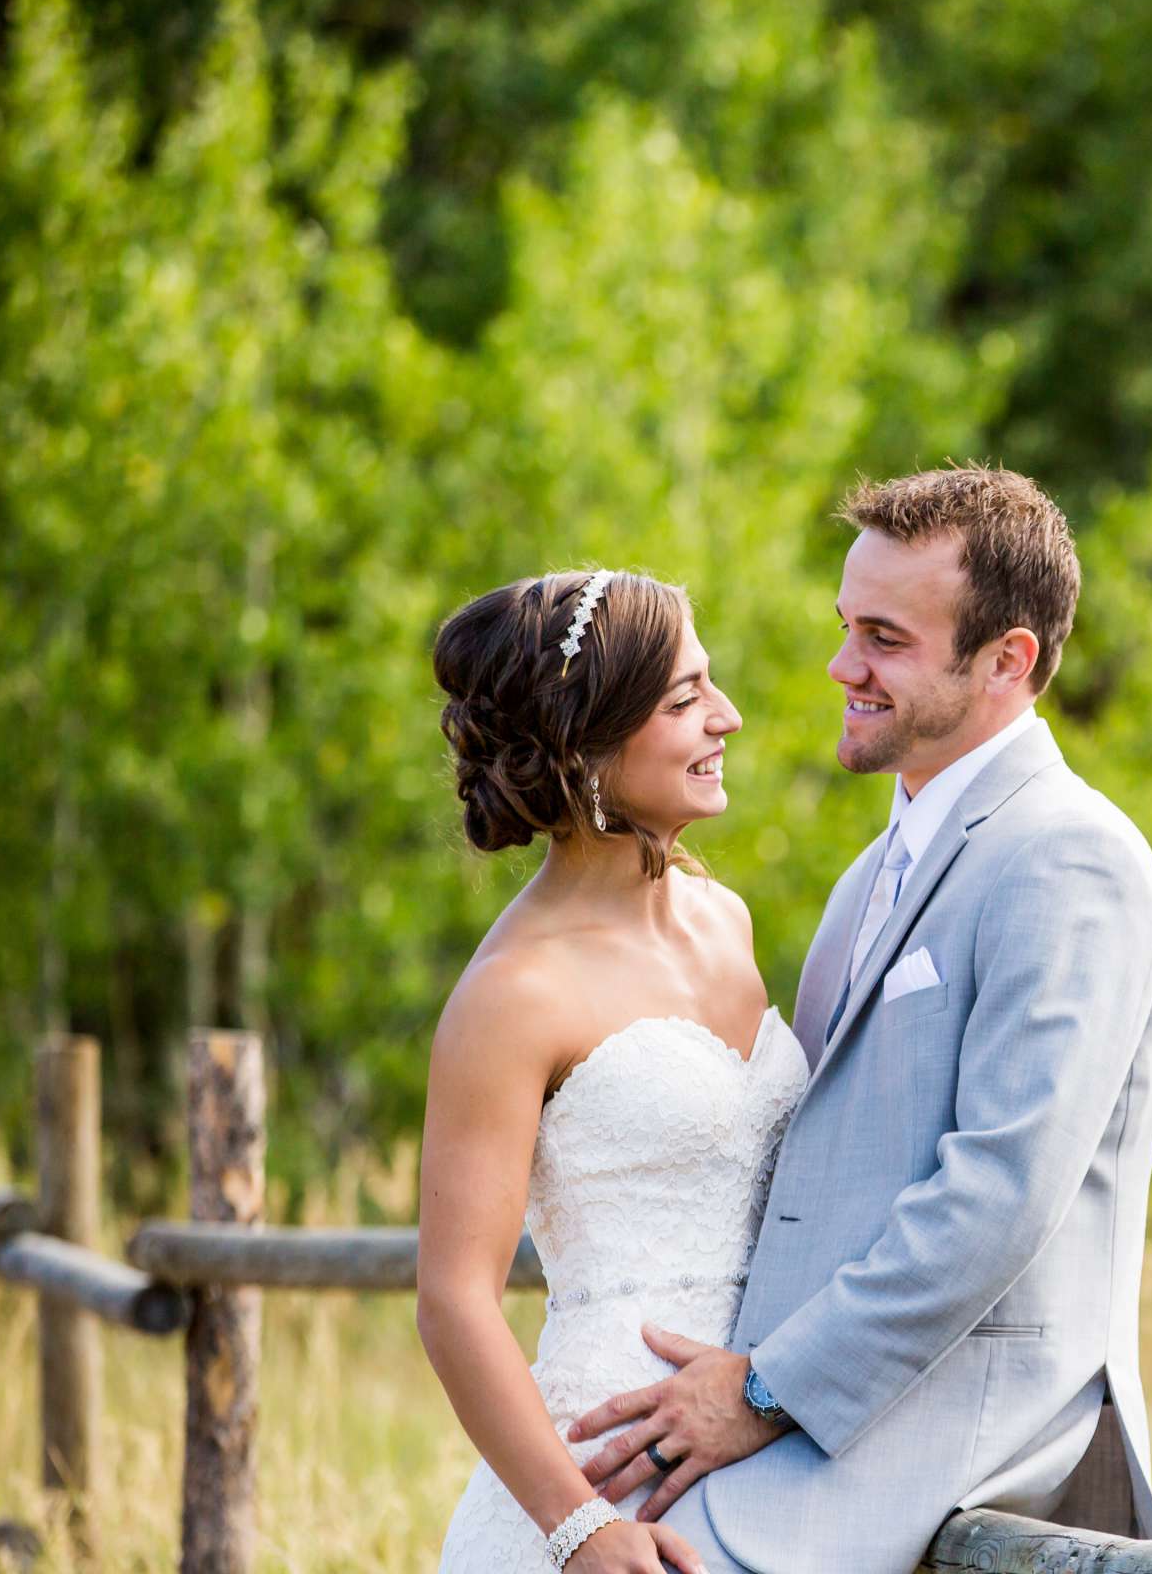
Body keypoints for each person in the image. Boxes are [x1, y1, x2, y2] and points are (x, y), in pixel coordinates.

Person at [560, 467, 1152, 1574]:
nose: (843, 666)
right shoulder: (867, 878)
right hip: (799, 1420)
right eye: (847, 627)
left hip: (953, 1423)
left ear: (1007, 660)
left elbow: (1000, 1192)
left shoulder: (1072, 857)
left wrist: (762, 1389)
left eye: (885, 638)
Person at [422, 569, 805, 1574]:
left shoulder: (726, 917)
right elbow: (455, 1298)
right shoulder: (515, 992)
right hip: (604, 1474)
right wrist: (577, 1525)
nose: (724, 717)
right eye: (684, 700)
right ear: (586, 739)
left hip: (772, 1453)